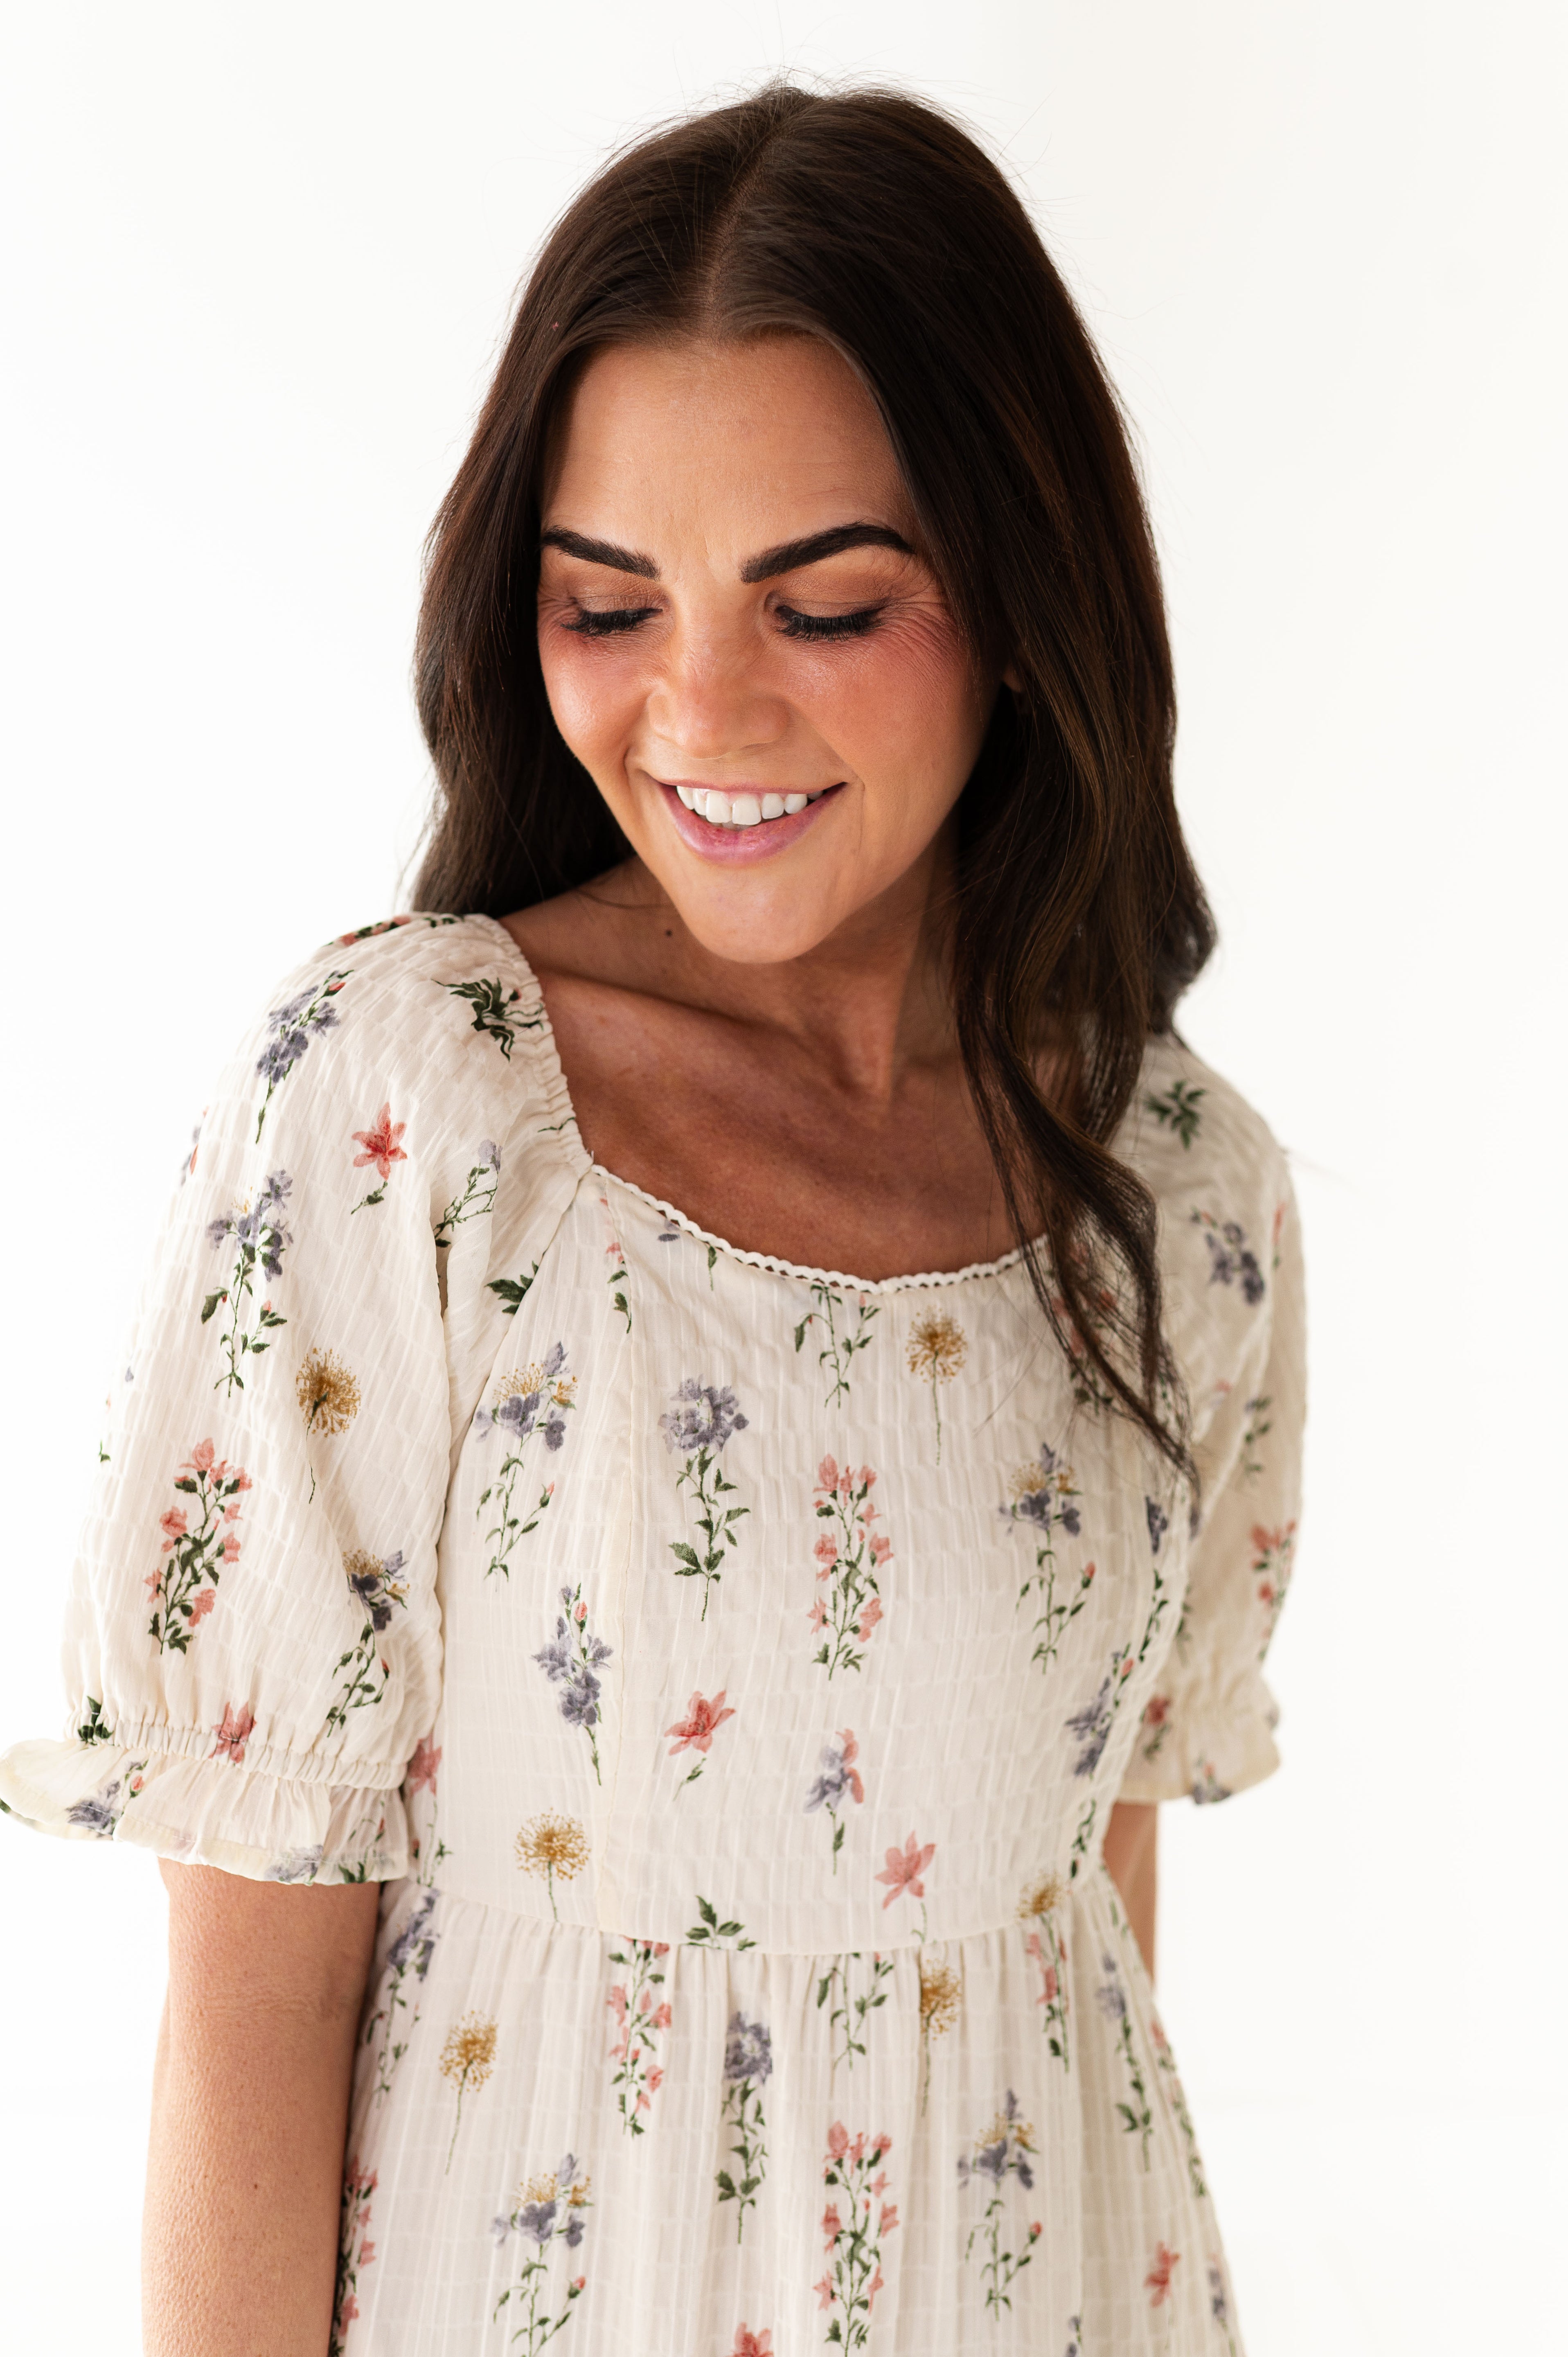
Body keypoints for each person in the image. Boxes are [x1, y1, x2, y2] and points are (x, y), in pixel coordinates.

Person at [0, 82, 1304, 2357]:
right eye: (607, 602)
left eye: (827, 602)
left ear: (1024, 599)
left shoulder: (1174, 1191)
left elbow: (1092, 1922)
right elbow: (251, 2003)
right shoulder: (410, 1113)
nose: (699, 707)